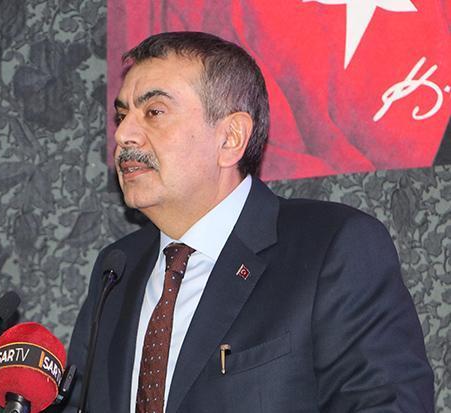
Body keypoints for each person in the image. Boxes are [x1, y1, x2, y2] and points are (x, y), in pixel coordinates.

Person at [64, 32, 433, 412]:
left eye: (154, 112)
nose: (123, 134)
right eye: (122, 116)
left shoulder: (331, 248)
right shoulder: (116, 269)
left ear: (230, 138)